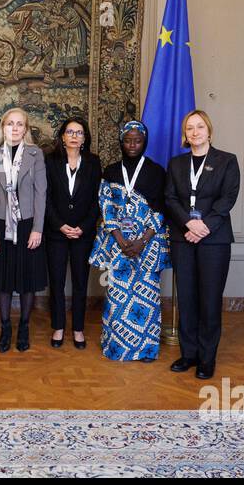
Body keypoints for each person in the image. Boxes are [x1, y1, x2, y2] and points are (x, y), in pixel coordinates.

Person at [164, 110, 239, 379]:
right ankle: (189, 354)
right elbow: (170, 198)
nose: (195, 132)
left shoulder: (227, 161)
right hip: (183, 239)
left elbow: (227, 199)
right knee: (186, 297)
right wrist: (189, 224)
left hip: (214, 241)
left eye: (199, 127)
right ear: (185, 134)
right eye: (189, 128)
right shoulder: (176, 164)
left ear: (209, 130)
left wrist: (203, 227)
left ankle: (207, 359)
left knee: (209, 299)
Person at [89, 120, 169, 362]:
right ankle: (116, 348)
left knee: (147, 298)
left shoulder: (157, 172)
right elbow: (106, 206)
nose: (133, 144)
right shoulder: (111, 171)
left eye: (138, 140)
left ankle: (146, 350)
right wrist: (121, 239)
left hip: (148, 245)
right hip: (118, 245)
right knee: (118, 297)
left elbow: (162, 207)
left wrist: (142, 241)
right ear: (121, 142)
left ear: (145, 142)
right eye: (128, 140)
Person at [0, 107, 48, 352]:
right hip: (1, 224)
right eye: (10, 123)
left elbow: (41, 194)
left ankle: (23, 326)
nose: (15, 128)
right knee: (4, 280)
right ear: (3, 127)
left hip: (28, 224)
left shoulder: (35, 154)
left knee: (27, 280)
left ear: (26, 128)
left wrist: (38, 229)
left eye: (20, 124)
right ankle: (5, 327)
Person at [44, 117, 101, 349]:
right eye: (70, 131)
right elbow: (44, 198)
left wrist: (84, 227)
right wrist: (59, 225)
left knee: (80, 282)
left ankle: (78, 329)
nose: (75, 136)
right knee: (56, 282)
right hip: (56, 232)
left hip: (82, 233)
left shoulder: (94, 162)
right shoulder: (50, 161)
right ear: (63, 136)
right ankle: (58, 327)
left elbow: (97, 200)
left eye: (79, 132)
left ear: (84, 138)